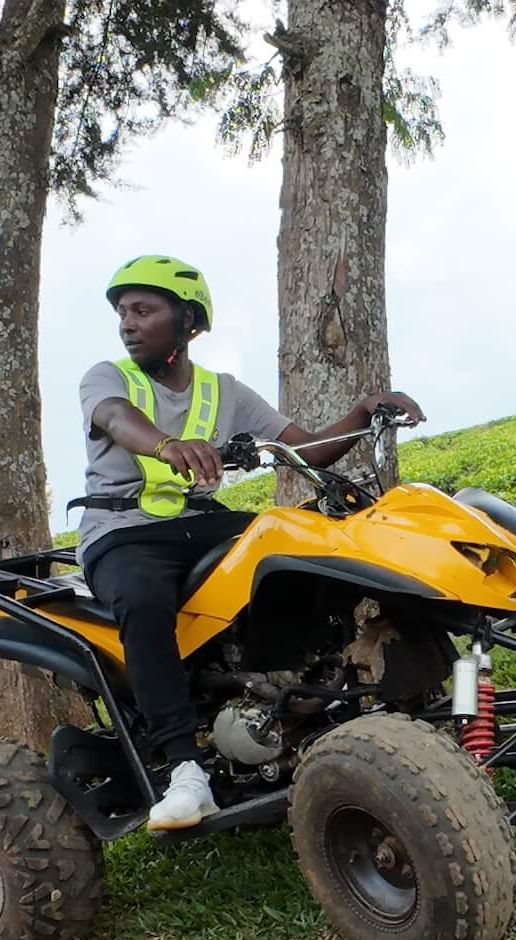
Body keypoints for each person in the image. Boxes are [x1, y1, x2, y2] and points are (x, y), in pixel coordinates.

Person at [75, 254, 425, 830]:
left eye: (143, 310)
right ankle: (185, 770)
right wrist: (166, 445)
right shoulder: (108, 378)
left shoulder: (223, 390)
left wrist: (363, 410)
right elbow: (115, 419)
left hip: (198, 523)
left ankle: (316, 693)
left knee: (301, 545)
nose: (127, 323)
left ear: (187, 321)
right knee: (141, 600)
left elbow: (305, 448)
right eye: (122, 312)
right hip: (121, 534)